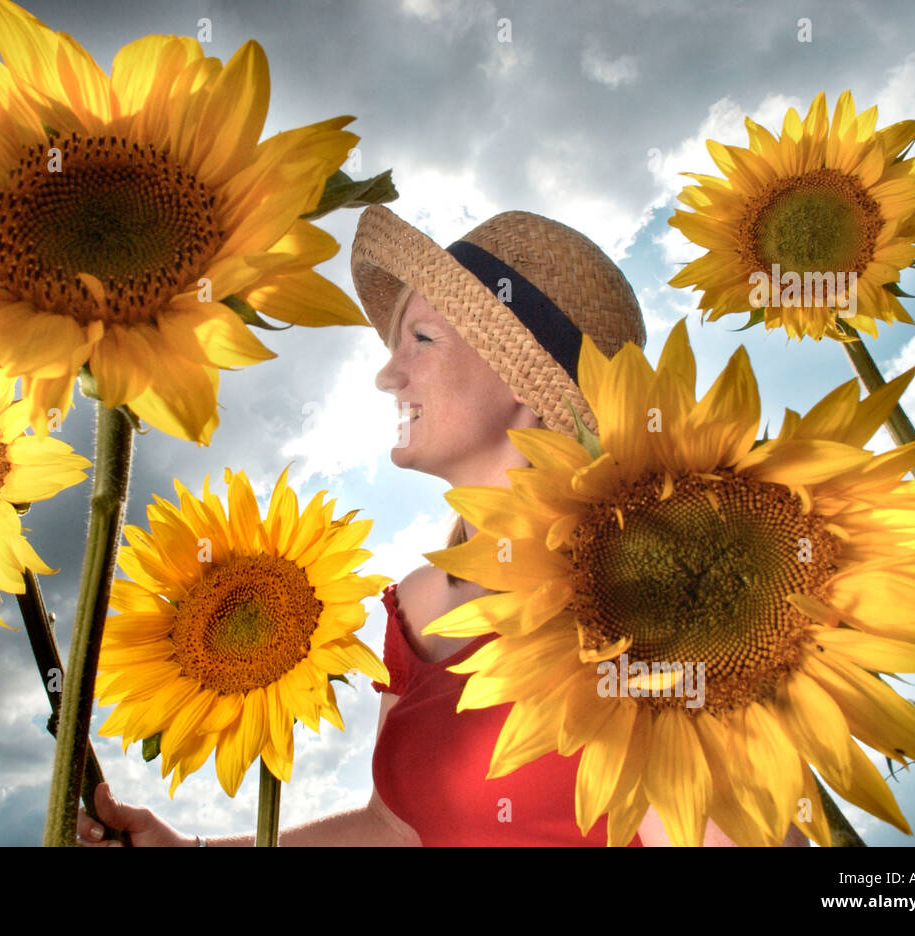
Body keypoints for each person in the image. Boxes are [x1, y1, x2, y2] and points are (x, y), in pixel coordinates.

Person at [77, 205, 808, 846]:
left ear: (523, 373)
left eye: (421, 339)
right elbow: (398, 831)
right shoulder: (412, 604)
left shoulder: (646, 589)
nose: (388, 374)